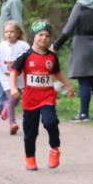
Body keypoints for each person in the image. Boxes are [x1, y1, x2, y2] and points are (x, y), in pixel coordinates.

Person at [10, 20, 74, 171]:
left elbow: (56, 72)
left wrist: (67, 85)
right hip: (30, 100)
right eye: (40, 35)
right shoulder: (25, 56)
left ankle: (54, 149)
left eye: (47, 35)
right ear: (34, 37)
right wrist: (13, 89)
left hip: (47, 97)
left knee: (50, 122)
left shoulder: (51, 57)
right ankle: (30, 159)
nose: (44, 38)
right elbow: (14, 72)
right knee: (30, 133)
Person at [51, 0, 93, 121]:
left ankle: (83, 113)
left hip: (81, 45)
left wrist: (55, 46)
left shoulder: (79, 6)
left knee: (84, 81)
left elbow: (68, 29)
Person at [0, 20, 29, 135]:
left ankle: (5, 106)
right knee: (12, 98)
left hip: (19, 77)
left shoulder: (23, 45)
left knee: (16, 99)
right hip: (6, 78)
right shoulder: (1, 46)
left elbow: (30, 57)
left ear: (17, 33)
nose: (9, 34)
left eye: (12, 32)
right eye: (6, 32)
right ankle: (12, 123)